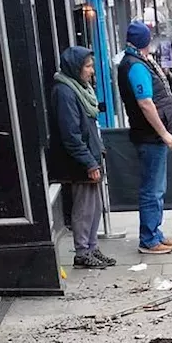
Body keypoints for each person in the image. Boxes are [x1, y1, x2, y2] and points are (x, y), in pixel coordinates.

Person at [117, 21, 172, 255]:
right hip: (150, 136)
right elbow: (145, 103)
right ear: (144, 41)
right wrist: (164, 133)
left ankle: (155, 233)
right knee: (152, 189)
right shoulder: (136, 66)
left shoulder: (137, 61)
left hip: (151, 135)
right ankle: (149, 239)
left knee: (156, 188)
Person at [50, 46, 112, 269]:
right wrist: (88, 162)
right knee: (84, 207)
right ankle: (82, 251)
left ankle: (91, 246)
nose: (91, 71)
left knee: (94, 206)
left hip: (90, 156)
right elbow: (71, 134)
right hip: (80, 162)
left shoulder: (79, 89)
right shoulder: (65, 92)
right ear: (75, 68)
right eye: (87, 66)